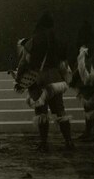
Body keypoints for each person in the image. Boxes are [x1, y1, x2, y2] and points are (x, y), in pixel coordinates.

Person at [14, 12, 74, 152]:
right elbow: (63, 64)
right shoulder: (57, 41)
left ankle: (43, 143)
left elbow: (24, 62)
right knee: (60, 110)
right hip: (55, 80)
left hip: (38, 80)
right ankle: (69, 141)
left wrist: (19, 80)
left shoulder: (33, 41)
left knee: (41, 112)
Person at [70, 21, 94, 141]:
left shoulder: (84, 48)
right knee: (92, 107)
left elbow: (81, 66)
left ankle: (91, 132)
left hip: (87, 80)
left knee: (89, 108)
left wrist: (74, 78)